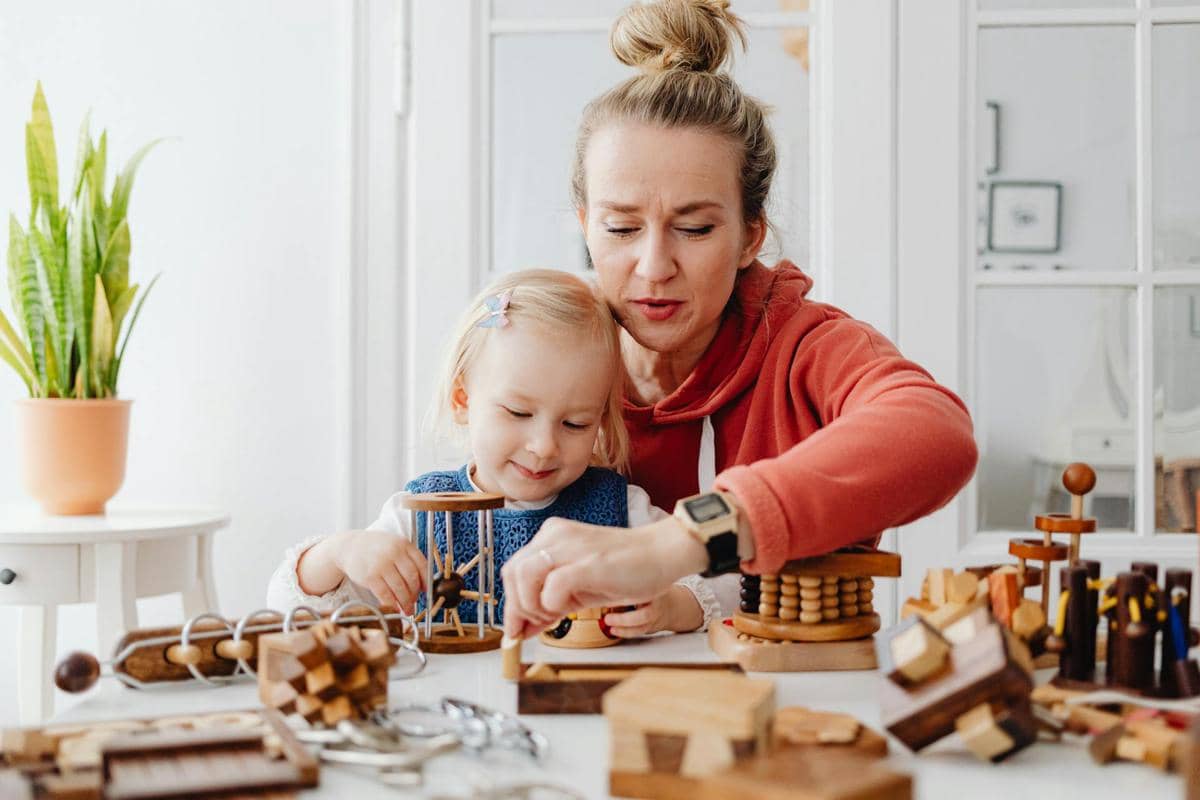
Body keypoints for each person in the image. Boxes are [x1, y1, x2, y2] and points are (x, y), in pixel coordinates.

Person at [500, 0, 979, 641]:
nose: (653, 267)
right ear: (587, 226)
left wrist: (686, 538)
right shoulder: (549, 350)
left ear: (751, 234)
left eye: (695, 228)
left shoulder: (805, 350)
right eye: (620, 227)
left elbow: (936, 433)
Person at [266, 269, 721, 636]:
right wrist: (340, 551)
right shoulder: (420, 516)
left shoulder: (621, 510)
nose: (544, 446)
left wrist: (669, 609)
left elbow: (720, 586)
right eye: (519, 413)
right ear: (464, 401)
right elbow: (289, 607)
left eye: (575, 423)